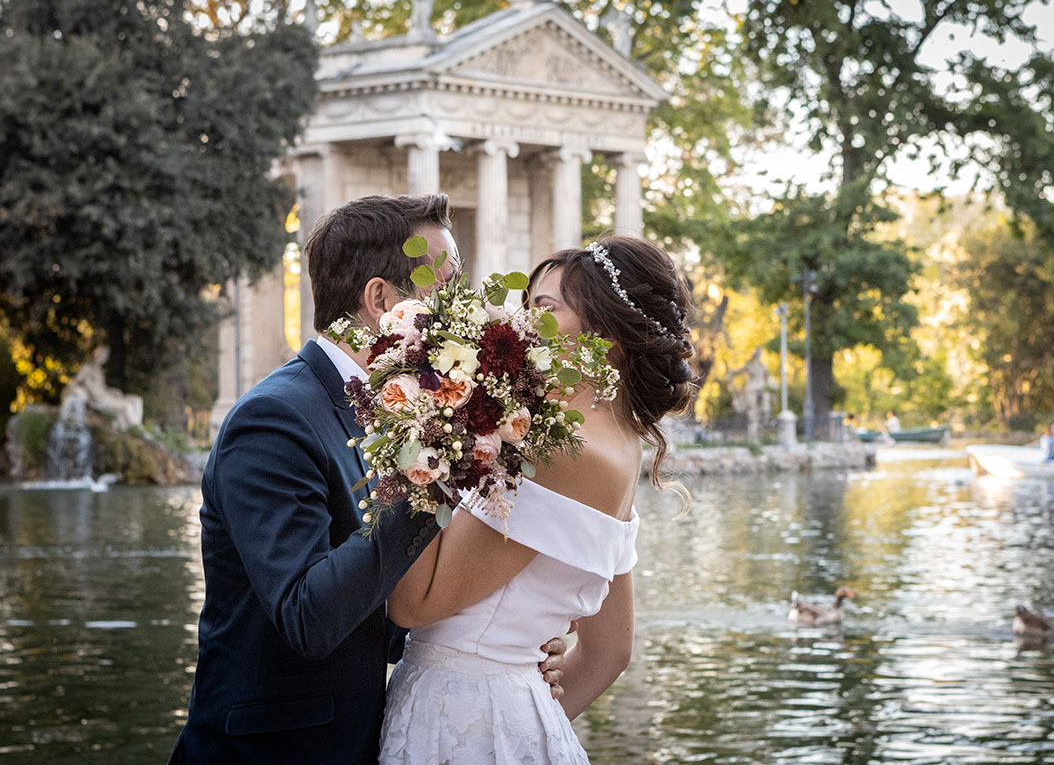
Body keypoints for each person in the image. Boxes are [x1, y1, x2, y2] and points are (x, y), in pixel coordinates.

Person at [168, 195, 568, 764]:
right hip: (275, 750)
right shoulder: (274, 420)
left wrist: (501, 640)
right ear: (382, 300)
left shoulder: (397, 410)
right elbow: (309, 615)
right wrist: (435, 470)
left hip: (364, 738)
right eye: (446, 287)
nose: (465, 308)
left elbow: (383, 609)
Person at [378, 236, 697, 764]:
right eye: (528, 309)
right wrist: (525, 718)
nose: (524, 327)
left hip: (457, 716)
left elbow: (413, 605)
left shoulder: (557, 453)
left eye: (545, 311)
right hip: (496, 717)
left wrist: (416, 439)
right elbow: (609, 651)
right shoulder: (617, 447)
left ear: (609, 335)